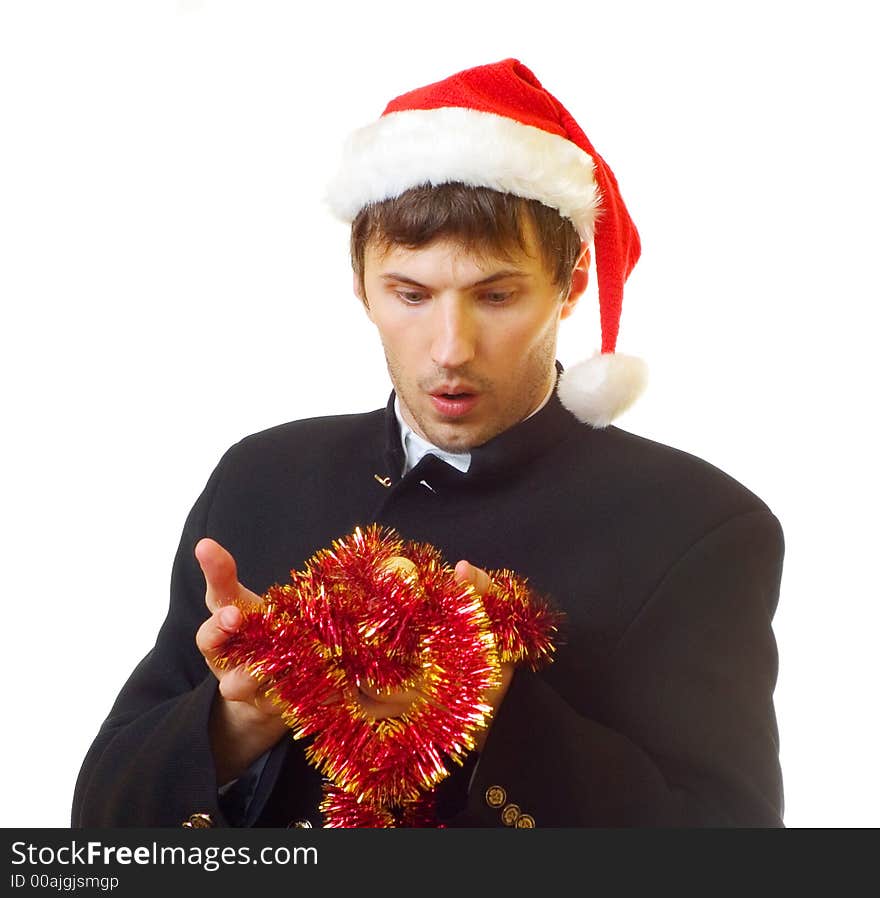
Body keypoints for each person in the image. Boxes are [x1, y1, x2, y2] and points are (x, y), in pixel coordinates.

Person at [72, 58, 785, 828]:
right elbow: (98, 827)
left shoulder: (701, 526)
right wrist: (240, 720)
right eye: (410, 295)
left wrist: (496, 709)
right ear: (361, 282)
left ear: (571, 285)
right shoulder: (259, 476)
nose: (450, 347)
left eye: (497, 295)